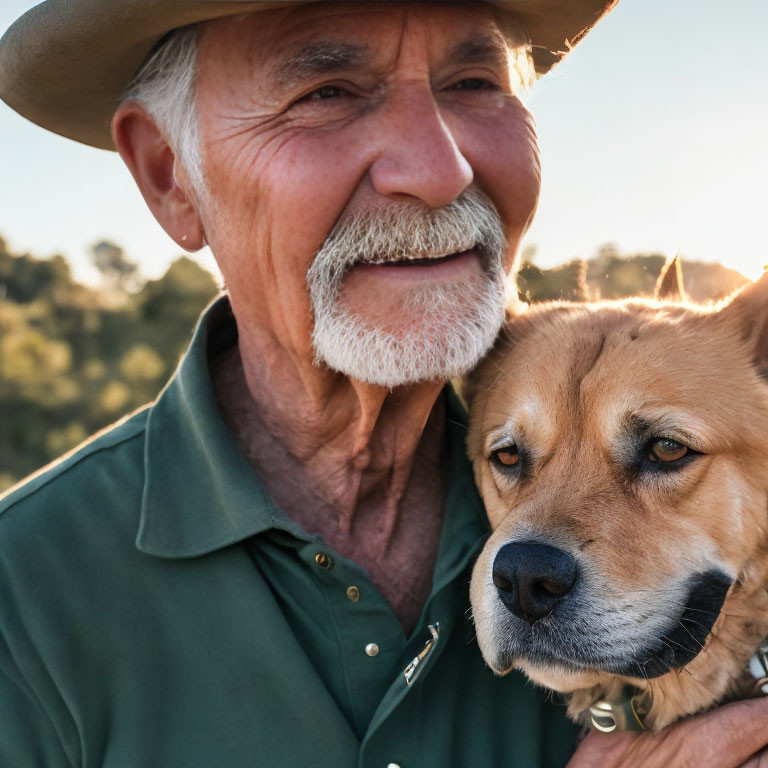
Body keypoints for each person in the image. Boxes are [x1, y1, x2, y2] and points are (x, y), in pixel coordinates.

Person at [1, 1, 767, 766]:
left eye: (472, 82)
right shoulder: (23, 600)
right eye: (327, 93)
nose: (439, 172)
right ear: (170, 173)